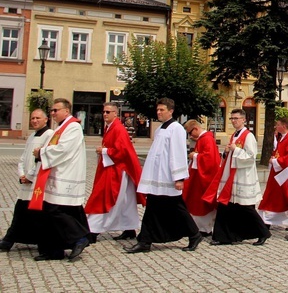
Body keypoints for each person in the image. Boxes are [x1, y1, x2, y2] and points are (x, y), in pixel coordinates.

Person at [125, 98, 201, 253]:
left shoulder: (176, 128)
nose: (158, 112)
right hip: (157, 176)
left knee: (177, 207)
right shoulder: (160, 129)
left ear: (171, 111)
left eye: (162, 110)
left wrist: (179, 177)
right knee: (152, 207)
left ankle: (194, 234)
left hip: (168, 176)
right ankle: (145, 241)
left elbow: (178, 153)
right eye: (157, 110)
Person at [30, 99, 89, 261]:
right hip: (55, 174)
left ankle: (80, 237)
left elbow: (63, 150)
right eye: (52, 110)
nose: (53, 113)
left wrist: (41, 152)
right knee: (49, 213)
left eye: (56, 110)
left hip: (66, 176)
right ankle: (53, 251)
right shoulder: (61, 127)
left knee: (55, 211)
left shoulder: (73, 127)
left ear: (66, 111)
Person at [203, 108, 270, 246]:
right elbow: (231, 154)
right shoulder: (234, 135)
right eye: (232, 118)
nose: (233, 121)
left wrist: (236, 149)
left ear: (244, 119)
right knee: (226, 206)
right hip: (231, 176)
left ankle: (263, 232)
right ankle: (224, 236)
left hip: (242, 176)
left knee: (245, 207)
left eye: (236, 118)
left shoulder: (248, 136)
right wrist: (226, 152)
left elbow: (251, 156)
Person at [85, 102, 145, 243]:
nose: (105, 114)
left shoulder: (118, 129)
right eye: (104, 112)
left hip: (117, 169)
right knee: (125, 200)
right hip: (114, 167)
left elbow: (122, 151)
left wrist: (104, 151)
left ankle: (93, 230)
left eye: (108, 112)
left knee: (105, 197)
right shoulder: (110, 127)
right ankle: (129, 228)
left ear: (115, 114)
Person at [0, 109, 55, 252]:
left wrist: (30, 176)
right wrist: (21, 174)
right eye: (32, 118)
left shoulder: (49, 135)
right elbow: (24, 158)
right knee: (21, 211)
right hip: (27, 181)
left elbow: (42, 159)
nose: (34, 120)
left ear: (46, 120)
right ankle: (10, 240)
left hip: (37, 181)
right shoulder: (31, 136)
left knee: (28, 213)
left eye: (38, 118)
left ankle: (8, 240)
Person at [258, 117, 288, 228]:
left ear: (284, 126)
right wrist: (274, 157)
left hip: (283, 175)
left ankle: (274, 220)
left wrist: (276, 161)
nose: (276, 126)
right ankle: (267, 220)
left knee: (280, 198)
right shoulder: (283, 138)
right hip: (277, 173)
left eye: (278, 125)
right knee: (272, 196)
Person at [182, 119, 220, 236]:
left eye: (190, 132)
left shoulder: (207, 139)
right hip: (199, 175)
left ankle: (205, 228)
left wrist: (195, 155)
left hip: (205, 177)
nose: (190, 136)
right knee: (196, 201)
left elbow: (210, 159)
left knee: (202, 202)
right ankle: (201, 227)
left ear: (196, 129)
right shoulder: (203, 138)